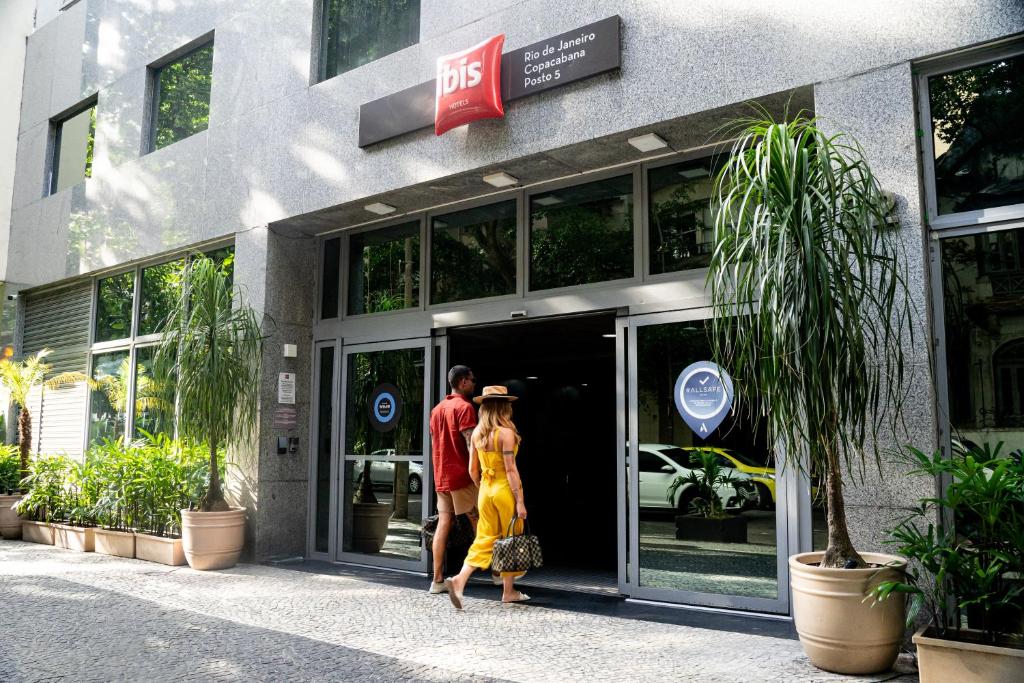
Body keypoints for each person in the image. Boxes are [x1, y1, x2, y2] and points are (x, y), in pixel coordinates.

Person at [444, 385, 530, 609]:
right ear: (503, 407)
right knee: (510, 539)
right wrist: (519, 500)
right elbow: (511, 470)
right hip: (504, 491)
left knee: (484, 538)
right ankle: (508, 592)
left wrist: (484, 487)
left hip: (486, 491)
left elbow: (473, 471)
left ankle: (459, 580)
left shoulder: (478, 435)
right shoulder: (506, 433)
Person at [427, 365, 479, 594]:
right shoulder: (465, 408)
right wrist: (478, 474)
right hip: (462, 476)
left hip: (442, 476)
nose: (474, 383)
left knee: (443, 523)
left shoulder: (437, 409)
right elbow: (471, 445)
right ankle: (500, 574)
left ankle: (437, 580)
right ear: (462, 382)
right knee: (481, 523)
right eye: (472, 379)